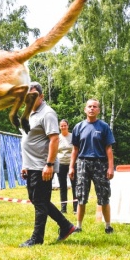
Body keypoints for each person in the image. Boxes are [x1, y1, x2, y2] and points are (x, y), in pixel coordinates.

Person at [19, 82, 77, 247]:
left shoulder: (48, 113)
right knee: (37, 199)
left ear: (41, 96)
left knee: (39, 201)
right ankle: (66, 225)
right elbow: (28, 139)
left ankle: (37, 238)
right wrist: (25, 164)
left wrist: (49, 164)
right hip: (31, 165)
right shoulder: (30, 113)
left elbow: (54, 139)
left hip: (42, 166)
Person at [68, 100, 116, 234]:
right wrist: (71, 167)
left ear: (98, 110)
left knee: (104, 196)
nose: (92, 109)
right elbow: (75, 149)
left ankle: (108, 226)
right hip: (83, 163)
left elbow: (108, 148)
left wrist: (110, 167)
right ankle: (78, 226)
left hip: (100, 164)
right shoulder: (78, 127)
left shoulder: (104, 127)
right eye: (89, 107)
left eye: (94, 107)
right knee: (81, 196)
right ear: (85, 109)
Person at [56, 120, 77, 214]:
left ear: (68, 126)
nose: (63, 127)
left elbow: (77, 149)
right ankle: (63, 209)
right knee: (63, 187)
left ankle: (76, 208)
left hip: (73, 164)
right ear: (59, 127)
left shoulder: (73, 136)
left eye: (65, 125)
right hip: (61, 164)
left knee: (75, 186)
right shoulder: (57, 138)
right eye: (61, 126)